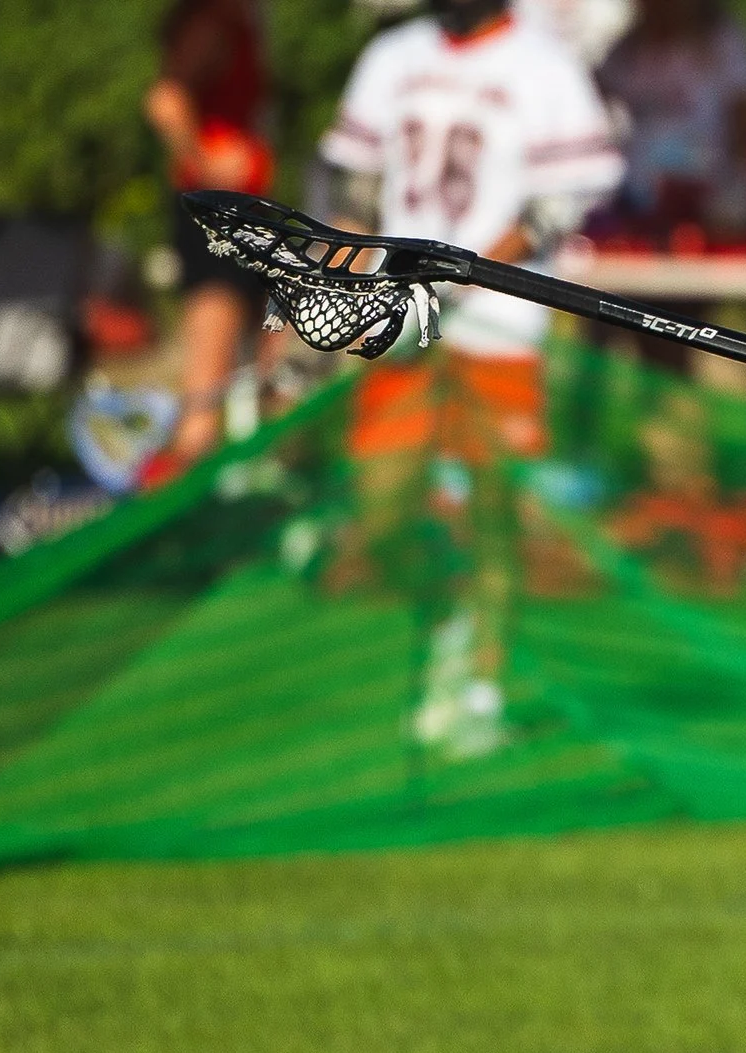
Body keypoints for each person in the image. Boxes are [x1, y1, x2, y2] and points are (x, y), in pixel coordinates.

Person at [317, 0, 622, 757]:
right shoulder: (394, 55)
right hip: (399, 322)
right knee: (380, 512)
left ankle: (480, 682)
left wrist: (461, 275)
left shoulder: (545, 63)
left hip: (499, 323)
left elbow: (559, 203)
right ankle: (448, 618)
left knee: (496, 510)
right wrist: (349, 293)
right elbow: (356, 196)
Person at [144, 0, 277, 466]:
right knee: (205, 390)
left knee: (270, 362)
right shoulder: (214, 19)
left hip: (245, 215)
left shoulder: (241, 20)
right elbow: (165, 100)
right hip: (215, 219)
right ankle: (175, 509)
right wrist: (205, 163)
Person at [593, 0, 746, 246]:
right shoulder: (630, 49)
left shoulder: (722, 41)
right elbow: (594, 92)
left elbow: (745, 117)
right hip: (641, 198)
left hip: (709, 192)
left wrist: (742, 186)